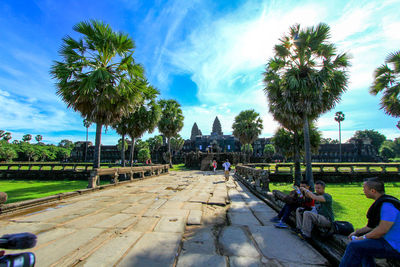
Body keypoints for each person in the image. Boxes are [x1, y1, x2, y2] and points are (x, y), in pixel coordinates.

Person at [339, 178, 400, 267]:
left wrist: (362, 238)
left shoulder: (388, 206)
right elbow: (371, 226)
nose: (363, 190)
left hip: (394, 246)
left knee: (355, 246)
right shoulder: (382, 203)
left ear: (373, 191)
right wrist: (357, 232)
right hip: (388, 241)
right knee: (363, 246)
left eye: (364, 188)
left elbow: (381, 231)